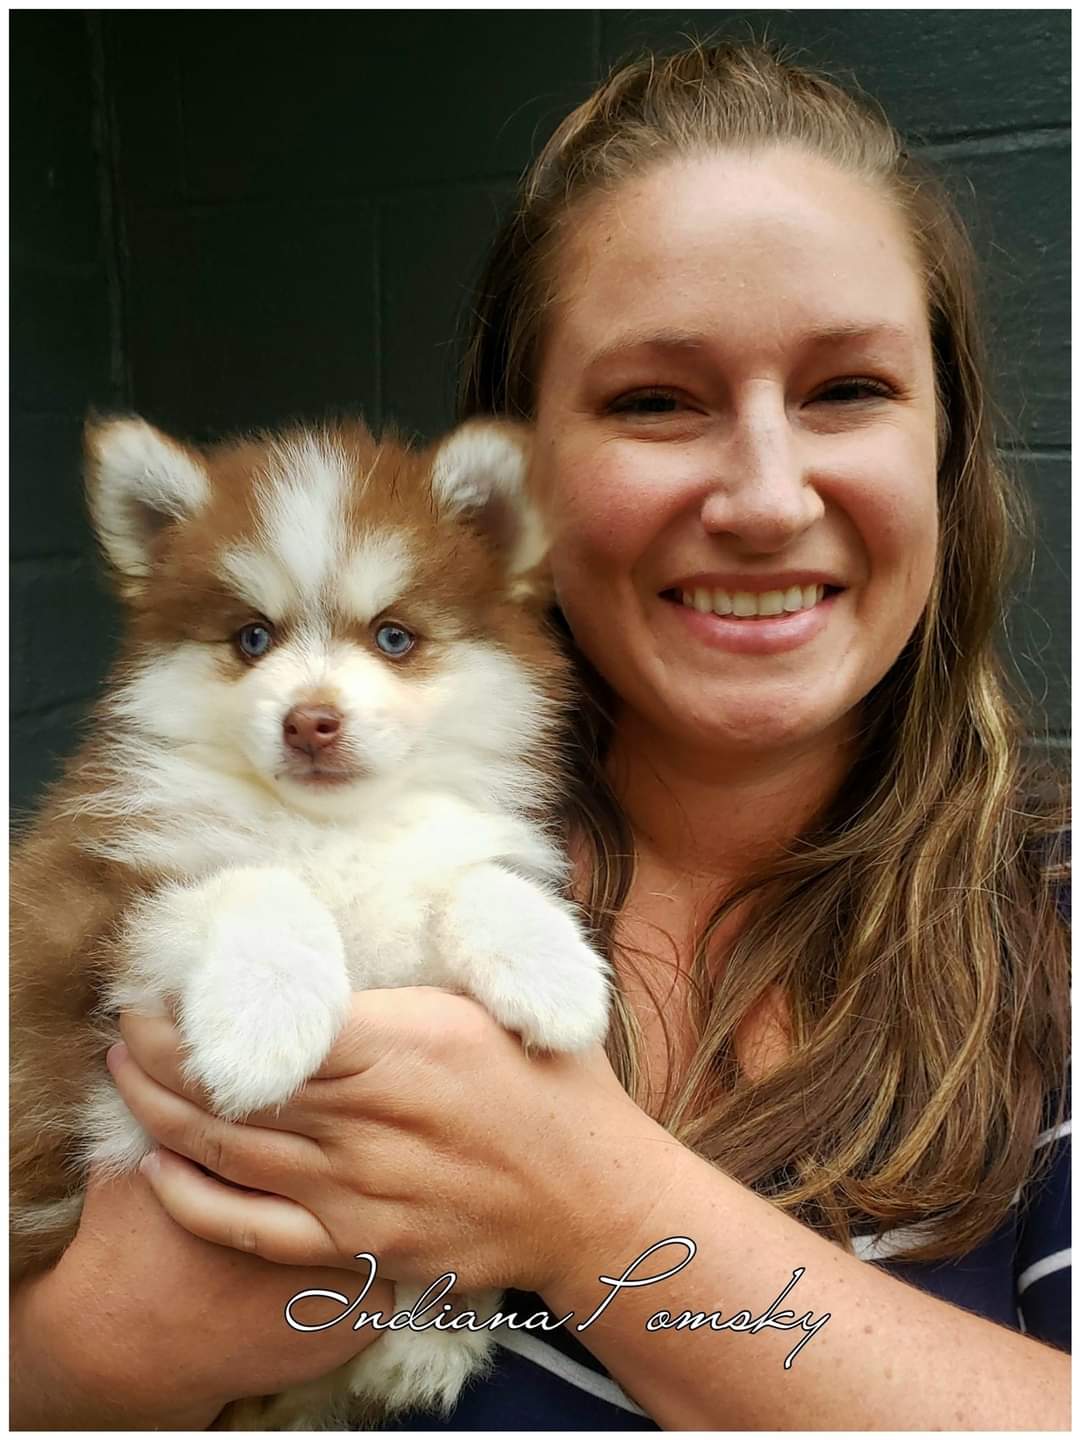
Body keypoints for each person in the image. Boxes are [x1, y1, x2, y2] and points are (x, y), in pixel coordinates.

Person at [11, 39, 1070, 1431]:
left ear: (946, 442)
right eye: (656, 401)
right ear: (524, 489)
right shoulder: (307, 827)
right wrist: (85, 1351)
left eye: (846, 389)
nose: (763, 495)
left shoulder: (1045, 921)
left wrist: (589, 1208)